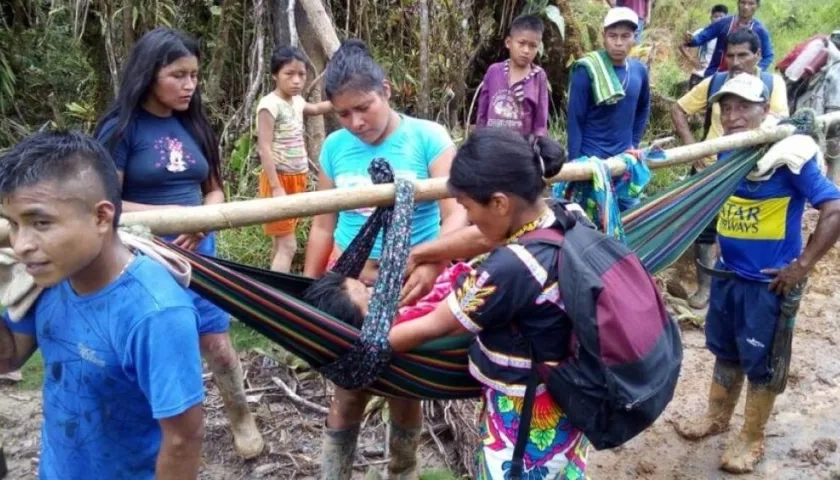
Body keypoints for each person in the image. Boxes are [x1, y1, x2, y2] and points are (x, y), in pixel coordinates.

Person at [93, 28, 264, 459]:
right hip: (142, 257)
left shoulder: (195, 123)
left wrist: (202, 220)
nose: (190, 85)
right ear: (149, 74)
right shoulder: (121, 129)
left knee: (218, 343)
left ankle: (240, 416)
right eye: (178, 75)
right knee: (157, 344)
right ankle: (157, 432)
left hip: (200, 251)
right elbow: (107, 203)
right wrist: (172, 217)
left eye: (194, 75)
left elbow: (215, 189)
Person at [301, 39, 466, 480]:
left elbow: (456, 214)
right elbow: (322, 225)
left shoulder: (427, 137)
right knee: (348, 389)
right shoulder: (335, 148)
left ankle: (403, 471)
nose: (356, 122)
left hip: (413, 287)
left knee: (403, 385)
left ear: (386, 91)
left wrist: (432, 264)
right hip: (351, 291)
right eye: (343, 113)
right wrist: (306, 293)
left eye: (364, 108)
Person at [0, 131, 205, 479]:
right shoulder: (47, 279)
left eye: (40, 223)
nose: (21, 245)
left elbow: (183, 438)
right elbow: (7, 359)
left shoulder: (156, 314)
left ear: (100, 217)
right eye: (14, 224)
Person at [388, 128, 590, 479]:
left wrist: (358, 343)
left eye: (468, 208)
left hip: (525, 414)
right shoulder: (565, 215)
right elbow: (481, 237)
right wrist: (421, 254)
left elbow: (436, 324)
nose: (468, 218)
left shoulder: (510, 267)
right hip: (571, 394)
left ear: (499, 203)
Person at [672, 73, 840, 473]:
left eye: (744, 107)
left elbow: (834, 210)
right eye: (726, 108)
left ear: (765, 109)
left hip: (768, 285)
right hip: (728, 276)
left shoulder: (788, 157)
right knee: (725, 349)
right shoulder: (730, 153)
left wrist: (801, 266)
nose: (733, 116)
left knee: (763, 361)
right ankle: (716, 417)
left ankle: (751, 435)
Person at [672, 28, 789, 309]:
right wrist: (693, 150)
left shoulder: (772, 85)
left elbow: (779, 121)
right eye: (731, 56)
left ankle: (739, 285)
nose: (736, 62)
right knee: (704, 229)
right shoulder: (716, 82)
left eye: (743, 55)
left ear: (758, 55)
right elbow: (678, 109)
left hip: (752, 171)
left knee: (742, 225)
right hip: (710, 170)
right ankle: (705, 288)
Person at [256, 45, 333, 273]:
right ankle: (276, 292)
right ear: (275, 75)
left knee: (280, 243)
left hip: (297, 179)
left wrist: (342, 100)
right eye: (289, 74)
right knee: (288, 246)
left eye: (301, 74)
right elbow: (264, 148)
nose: (296, 80)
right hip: (279, 180)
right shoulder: (269, 105)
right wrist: (276, 187)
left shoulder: (297, 101)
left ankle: (270, 284)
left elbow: (316, 108)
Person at [566, 7, 650, 163]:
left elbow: (643, 107)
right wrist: (574, 161)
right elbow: (575, 119)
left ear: (635, 37)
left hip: (624, 159)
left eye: (625, 36)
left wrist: (634, 143)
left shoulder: (639, 70)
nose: (618, 43)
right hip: (590, 159)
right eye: (612, 36)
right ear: (603, 36)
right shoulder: (587, 69)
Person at [475, 14, 550, 137]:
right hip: (491, 144)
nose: (526, 50)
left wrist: (537, 143)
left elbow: (540, 125)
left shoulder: (538, 77)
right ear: (508, 42)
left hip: (521, 147)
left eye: (533, 46)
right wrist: (479, 140)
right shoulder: (494, 71)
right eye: (521, 43)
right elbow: (482, 114)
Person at [683, 0, 773, 77]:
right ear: (738, 3)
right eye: (743, 2)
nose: (746, 7)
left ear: (757, 6)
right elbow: (703, 36)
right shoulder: (724, 23)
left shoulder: (760, 30)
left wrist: (754, 71)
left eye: (751, 3)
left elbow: (768, 56)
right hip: (715, 74)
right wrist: (692, 40)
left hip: (742, 79)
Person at [679, 4, 729, 89]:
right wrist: (692, 60)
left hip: (719, 77)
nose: (718, 19)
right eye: (715, 17)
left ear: (727, 18)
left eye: (721, 17)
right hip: (700, 74)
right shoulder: (703, 32)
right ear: (711, 18)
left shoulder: (729, 34)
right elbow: (682, 45)